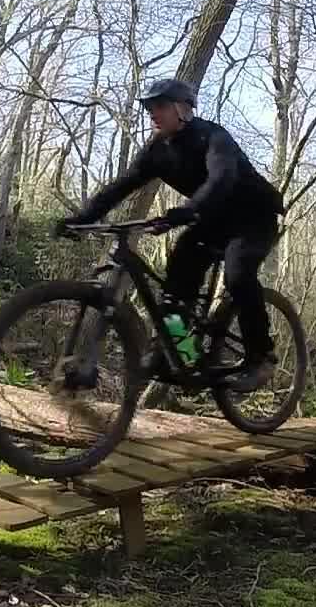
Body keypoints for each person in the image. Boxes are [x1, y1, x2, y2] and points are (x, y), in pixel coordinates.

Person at [61, 78, 284, 392]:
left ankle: (261, 357)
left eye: (160, 106)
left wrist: (188, 209)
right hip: (211, 220)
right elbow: (121, 185)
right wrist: (82, 218)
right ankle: (185, 355)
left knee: (237, 275)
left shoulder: (213, 136)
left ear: (183, 109)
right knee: (175, 286)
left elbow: (221, 178)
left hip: (254, 217)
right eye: (150, 109)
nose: (153, 114)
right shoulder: (157, 151)